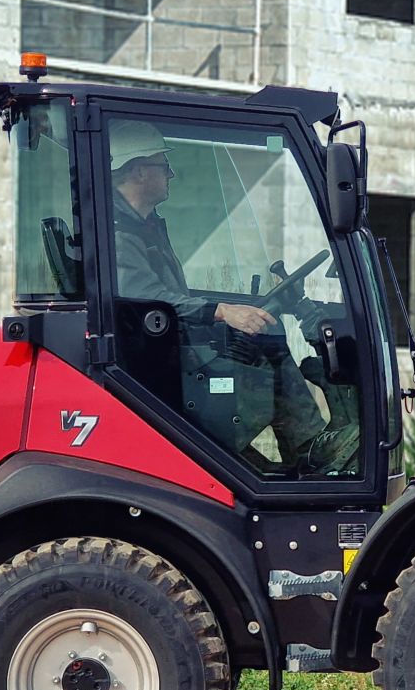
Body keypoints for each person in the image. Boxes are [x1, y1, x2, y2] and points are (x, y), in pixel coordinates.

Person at [109, 120, 355, 474]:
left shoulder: (144, 226)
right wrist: (223, 311)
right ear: (138, 171)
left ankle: (301, 452)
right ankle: (311, 447)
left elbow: (168, 297)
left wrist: (239, 307)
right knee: (268, 364)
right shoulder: (121, 237)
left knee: (269, 341)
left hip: (172, 348)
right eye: (164, 167)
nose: (171, 174)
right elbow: (150, 300)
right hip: (164, 365)